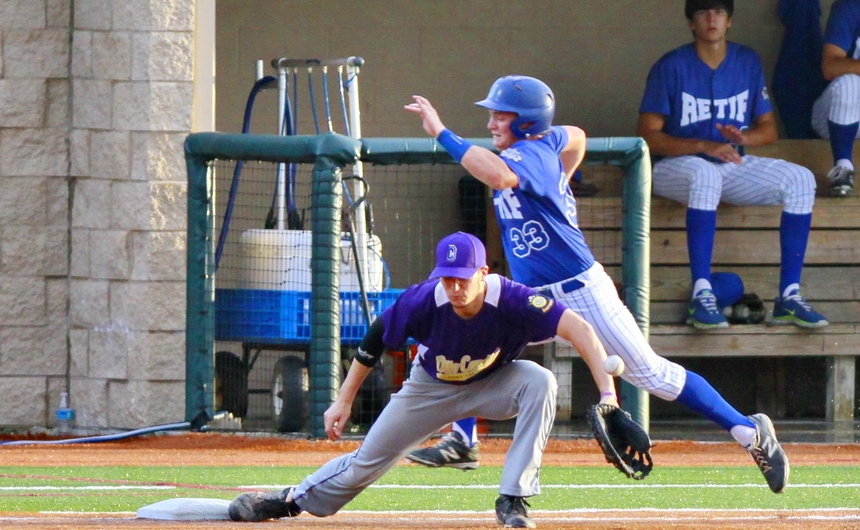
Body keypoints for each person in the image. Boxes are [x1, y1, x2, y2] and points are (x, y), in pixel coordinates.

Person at [404, 72, 789, 493]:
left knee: (653, 376)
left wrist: (442, 132)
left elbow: (496, 176)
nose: (492, 123)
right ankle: (464, 439)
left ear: (528, 122)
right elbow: (577, 135)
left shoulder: (529, 153)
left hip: (579, 290)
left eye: (501, 116)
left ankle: (750, 433)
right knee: (468, 338)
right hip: (533, 294)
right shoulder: (547, 143)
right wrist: (563, 178)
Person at [228, 231, 621, 528]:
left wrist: (608, 394)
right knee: (366, 462)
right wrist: (343, 400)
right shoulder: (423, 300)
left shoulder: (515, 299)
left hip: (494, 382)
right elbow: (373, 340)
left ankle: (513, 499)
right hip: (430, 388)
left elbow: (580, 329)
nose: (453, 287)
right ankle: (291, 499)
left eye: (462, 278)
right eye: (447, 277)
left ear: (484, 273)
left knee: (539, 380)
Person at [637, 0, 828, 330]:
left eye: (719, 12)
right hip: (674, 167)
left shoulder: (747, 61)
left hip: (729, 163)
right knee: (705, 172)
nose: (712, 18)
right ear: (691, 24)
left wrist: (742, 137)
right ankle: (702, 295)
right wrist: (703, 144)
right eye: (703, 12)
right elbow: (648, 136)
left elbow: (768, 130)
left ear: (730, 22)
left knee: (800, 179)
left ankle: (788, 297)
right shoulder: (671, 66)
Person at [811, 0, 860, 197]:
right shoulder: (851, 6)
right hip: (835, 116)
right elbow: (830, 67)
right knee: (850, 82)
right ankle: (843, 167)